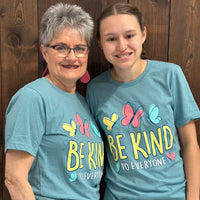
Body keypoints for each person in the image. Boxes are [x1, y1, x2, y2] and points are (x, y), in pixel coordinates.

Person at [86, 2, 200, 200]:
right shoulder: (95, 90)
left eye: (129, 36)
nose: (121, 46)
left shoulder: (170, 75)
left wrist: (193, 196)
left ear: (143, 34)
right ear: (100, 43)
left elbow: (190, 143)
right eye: (111, 39)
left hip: (172, 195)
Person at [4, 3, 104, 200]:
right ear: (44, 52)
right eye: (61, 48)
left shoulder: (84, 103)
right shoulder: (33, 98)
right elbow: (14, 178)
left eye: (80, 48)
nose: (72, 57)